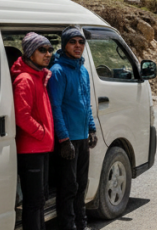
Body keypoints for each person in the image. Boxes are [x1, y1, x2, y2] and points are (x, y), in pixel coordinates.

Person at [48, 27, 98, 230]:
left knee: (81, 185)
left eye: (81, 42)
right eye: (73, 42)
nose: (78, 46)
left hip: (82, 137)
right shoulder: (58, 71)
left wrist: (92, 128)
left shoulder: (83, 70)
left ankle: (81, 223)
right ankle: (68, 226)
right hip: (67, 140)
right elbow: (55, 107)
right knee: (68, 187)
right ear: (64, 45)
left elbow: (86, 103)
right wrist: (63, 139)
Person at [11, 33, 55, 230]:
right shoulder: (25, 79)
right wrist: (43, 133)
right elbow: (22, 116)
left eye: (50, 49)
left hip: (41, 147)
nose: (48, 54)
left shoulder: (39, 76)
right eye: (42, 50)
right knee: (33, 202)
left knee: (40, 200)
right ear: (30, 53)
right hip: (31, 149)